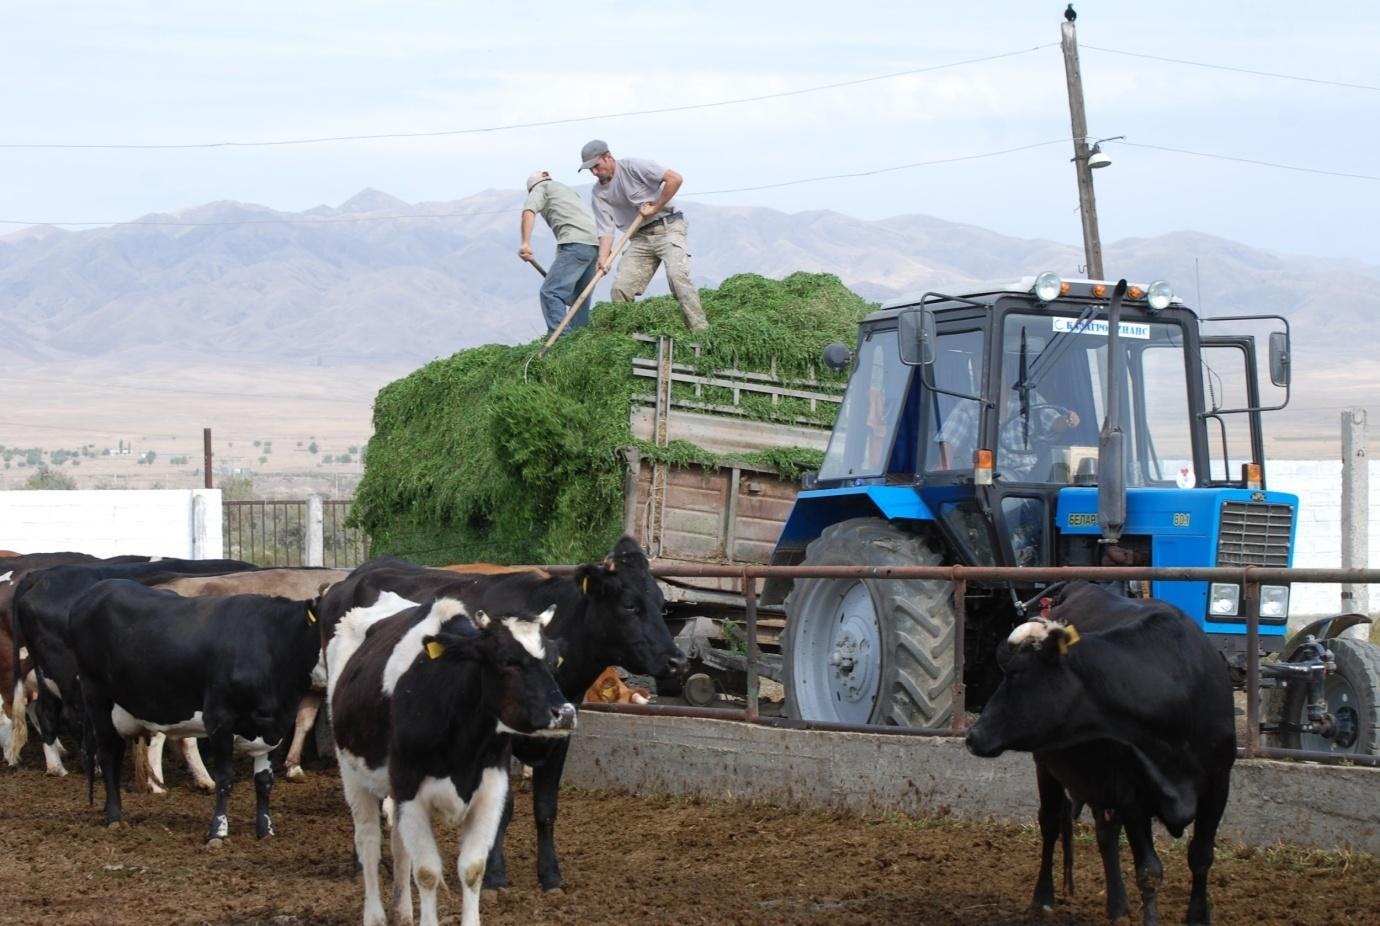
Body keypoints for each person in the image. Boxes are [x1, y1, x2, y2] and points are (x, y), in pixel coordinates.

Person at [578, 139, 709, 332]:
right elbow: (605, 229)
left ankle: (701, 332)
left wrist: (656, 207)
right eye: (590, 169)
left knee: (677, 276)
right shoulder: (599, 193)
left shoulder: (633, 166)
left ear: (608, 157)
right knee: (621, 288)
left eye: (596, 166)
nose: (594, 172)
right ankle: (627, 337)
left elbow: (675, 179)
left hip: (668, 226)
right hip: (640, 237)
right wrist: (603, 258)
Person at [519, 169, 600, 336]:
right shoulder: (566, 191)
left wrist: (525, 243)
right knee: (579, 298)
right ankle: (579, 339)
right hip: (595, 246)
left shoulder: (540, 188)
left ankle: (561, 340)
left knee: (551, 292)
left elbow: (528, 211)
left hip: (575, 243)